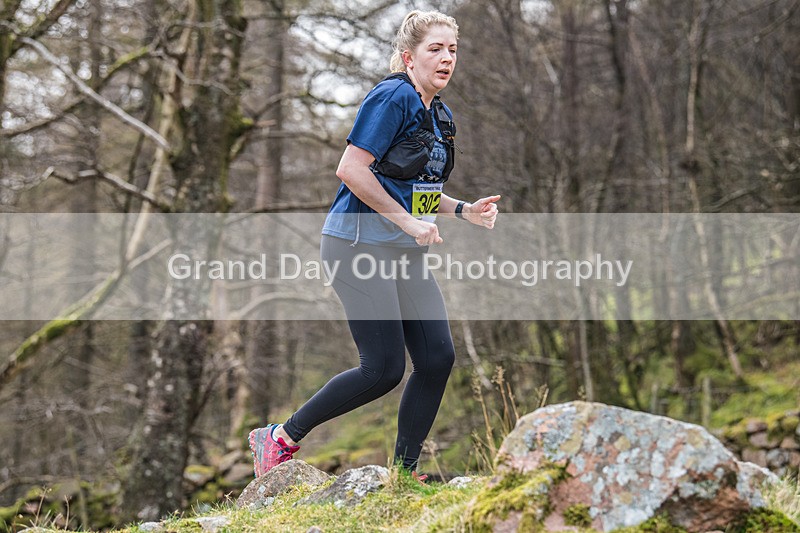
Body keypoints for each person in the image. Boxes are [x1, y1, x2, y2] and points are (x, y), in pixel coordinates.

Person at [249, 9, 500, 479]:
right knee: (382, 369)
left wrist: (465, 210)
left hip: (401, 250)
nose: (447, 59)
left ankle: (404, 474)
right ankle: (278, 438)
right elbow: (351, 169)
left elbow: (417, 189)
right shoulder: (392, 97)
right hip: (356, 245)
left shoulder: (440, 115)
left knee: (436, 358)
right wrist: (407, 223)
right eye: (435, 50)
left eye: (453, 50)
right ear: (409, 57)